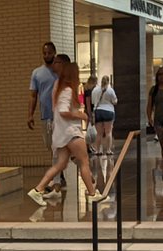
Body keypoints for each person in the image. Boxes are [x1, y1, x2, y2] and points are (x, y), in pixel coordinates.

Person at [27, 61, 102, 205]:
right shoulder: (67, 90)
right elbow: (64, 111)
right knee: (84, 161)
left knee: (60, 164)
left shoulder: (60, 89)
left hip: (61, 134)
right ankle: (92, 193)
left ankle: (38, 189)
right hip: (71, 133)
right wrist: (81, 115)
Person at [28, 42, 66, 193]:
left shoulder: (60, 71)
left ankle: (56, 181)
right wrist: (30, 115)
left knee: (57, 148)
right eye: (44, 53)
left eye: (49, 53)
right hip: (45, 117)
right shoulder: (37, 73)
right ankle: (60, 173)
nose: (47, 56)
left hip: (59, 116)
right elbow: (33, 95)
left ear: (54, 53)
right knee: (51, 146)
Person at [91, 75, 118, 157]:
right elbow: (115, 101)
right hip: (108, 111)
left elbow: (93, 102)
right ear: (108, 81)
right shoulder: (110, 90)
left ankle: (98, 150)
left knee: (99, 133)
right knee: (108, 132)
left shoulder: (95, 90)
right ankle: (108, 150)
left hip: (98, 111)